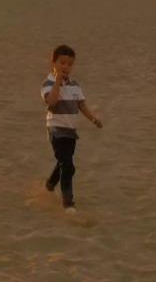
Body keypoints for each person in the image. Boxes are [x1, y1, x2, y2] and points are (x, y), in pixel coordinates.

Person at [41, 44, 102, 210]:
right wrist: (58, 82)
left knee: (63, 162)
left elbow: (81, 105)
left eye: (69, 64)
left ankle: (49, 184)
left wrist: (93, 119)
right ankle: (68, 203)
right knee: (68, 166)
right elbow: (51, 102)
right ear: (53, 63)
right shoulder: (48, 83)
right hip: (55, 129)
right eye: (62, 63)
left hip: (70, 131)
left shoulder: (75, 85)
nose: (66, 67)